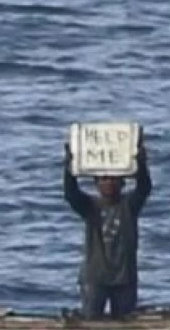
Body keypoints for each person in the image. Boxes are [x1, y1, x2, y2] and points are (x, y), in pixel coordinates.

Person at [63, 137, 152, 319]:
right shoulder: (89, 207)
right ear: (96, 184)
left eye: (114, 179)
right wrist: (69, 166)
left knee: (125, 326)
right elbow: (70, 193)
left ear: (122, 183)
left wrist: (141, 163)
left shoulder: (129, 205)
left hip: (124, 278)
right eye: (103, 179)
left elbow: (144, 188)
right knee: (90, 323)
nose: (109, 183)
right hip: (95, 278)